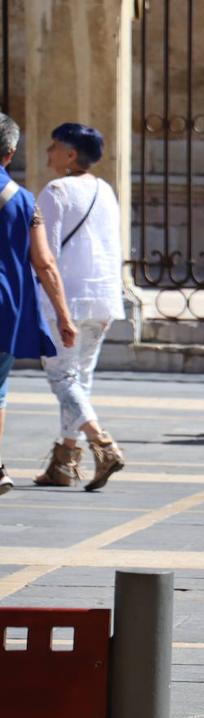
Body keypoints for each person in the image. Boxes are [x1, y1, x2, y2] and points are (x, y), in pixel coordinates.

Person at [29, 122, 125, 492]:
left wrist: (57, 307)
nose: (49, 153)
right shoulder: (105, 190)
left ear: (70, 155)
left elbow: (45, 255)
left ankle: (101, 443)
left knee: (62, 377)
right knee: (80, 378)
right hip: (102, 297)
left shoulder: (55, 191)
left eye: (55, 147)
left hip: (67, 298)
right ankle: (65, 459)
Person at [0, 112, 77, 494]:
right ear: (10, 153)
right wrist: (63, 315)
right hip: (6, 306)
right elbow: (44, 262)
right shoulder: (26, 201)